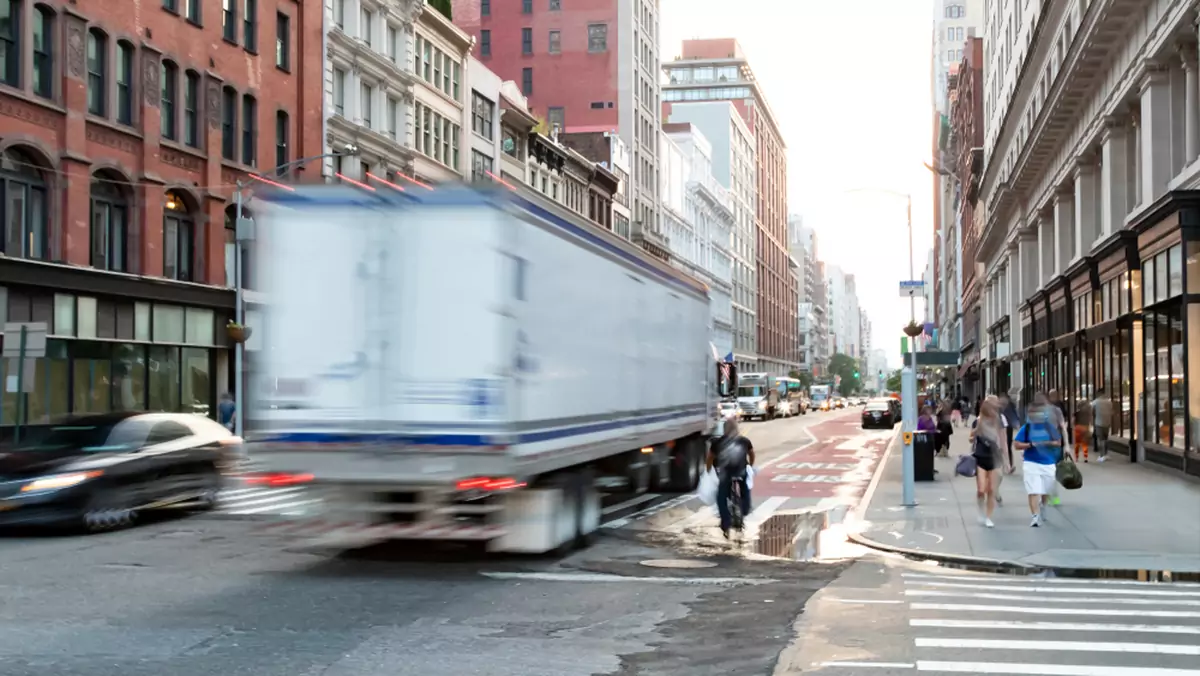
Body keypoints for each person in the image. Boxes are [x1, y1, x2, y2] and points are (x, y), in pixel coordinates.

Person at [1013, 394, 1063, 527]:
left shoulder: (1048, 428)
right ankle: (1035, 516)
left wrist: (1048, 443)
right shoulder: (1027, 428)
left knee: (1045, 490)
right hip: (1031, 462)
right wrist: (1030, 445)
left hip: (1048, 463)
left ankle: (1043, 506)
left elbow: (1058, 442)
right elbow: (1017, 444)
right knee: (1033, 490)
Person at [707, 414, 755, 539]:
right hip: (741, 472)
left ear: (724, 430)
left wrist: (708, 470)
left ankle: (726, 523)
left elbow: (710, 458)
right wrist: (750, 465)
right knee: (745, 491)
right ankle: (744, 510)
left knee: (721, 497)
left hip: (725, 474)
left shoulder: (717, 442)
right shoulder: (744, 441)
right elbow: (752, 454)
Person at [969, 397, 1008, 527]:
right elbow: (970, 439)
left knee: (991, 489)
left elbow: (1003, 441)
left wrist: (1006, 460)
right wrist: (975, 432)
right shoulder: (978, 421)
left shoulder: (998, 421)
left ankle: (988, 517)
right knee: (981, 489)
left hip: (994, 457)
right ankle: (980, 511)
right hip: (980, 457)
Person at [1092, 388, 1113, 462]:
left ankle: (1102, 455)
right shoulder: (1109, 402)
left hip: (1098, 423)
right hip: (1107, 423)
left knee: (1101, 439)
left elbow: (1092, 412)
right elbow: (1111, 411)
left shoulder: (1095, 402)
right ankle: (1106, 454)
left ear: (1098, 393)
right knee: (1105, 439)